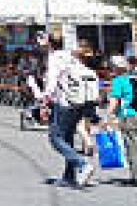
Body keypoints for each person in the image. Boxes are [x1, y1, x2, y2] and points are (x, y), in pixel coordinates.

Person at [41, 34, 96, 189]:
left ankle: (82, 164)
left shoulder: (55, 58)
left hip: (65, 101)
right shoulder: (70, 56)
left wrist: (45, 101)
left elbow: (52, 82)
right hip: (80, 101)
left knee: (55, 138)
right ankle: (69, 176)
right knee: (68, 137)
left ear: (50, 44)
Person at [105, 55, 137, 186]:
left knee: (132, 147)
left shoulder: (118, 81)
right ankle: (136, 175)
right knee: (135, 145)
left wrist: (108, 116)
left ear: (116, 68)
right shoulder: (135, 79)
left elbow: (114, 101)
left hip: (128, 116)